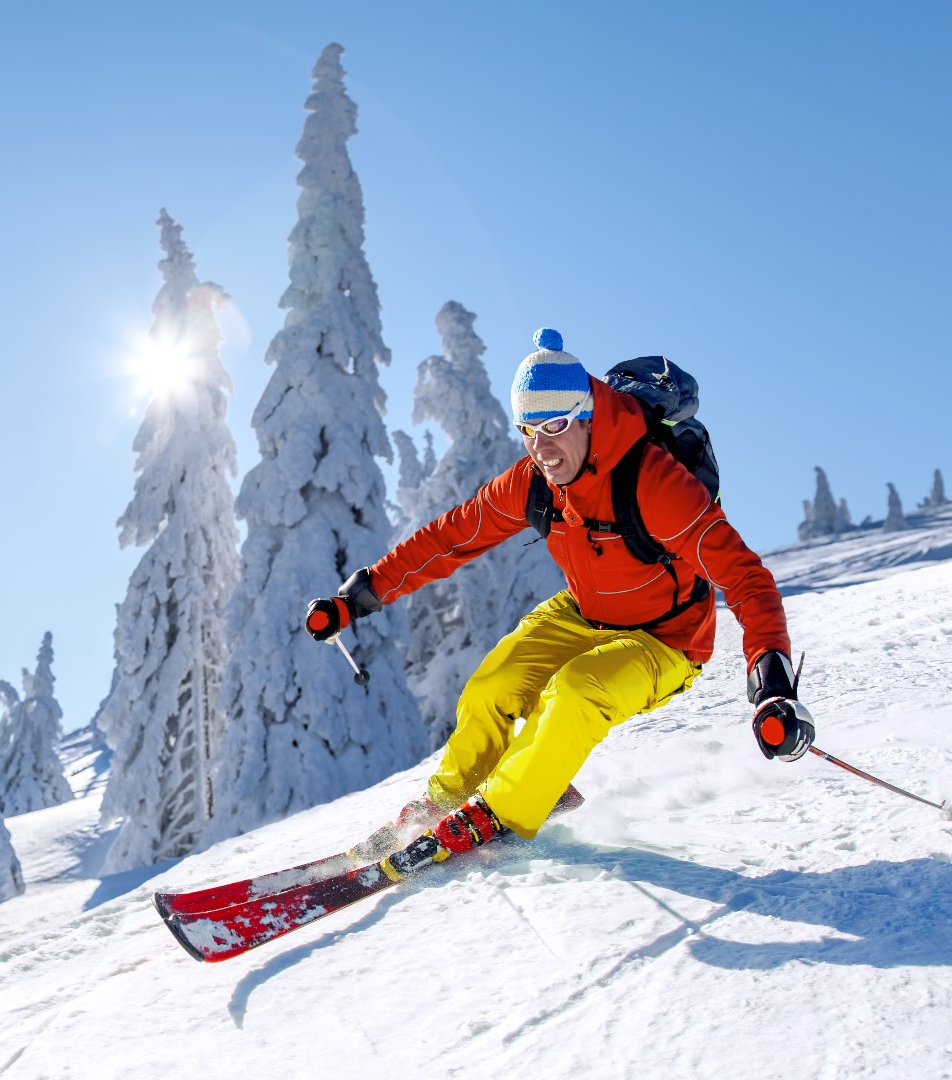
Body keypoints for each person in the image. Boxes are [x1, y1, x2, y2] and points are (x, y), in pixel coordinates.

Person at [304, 328, 814, 858]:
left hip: (667, 637)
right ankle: (444, 803)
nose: (542, 448)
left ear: (589, 413)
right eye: (528, 431)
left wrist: (772, 681)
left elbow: (746, 577)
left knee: (576, 691)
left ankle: (501, 813)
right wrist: (358, 597)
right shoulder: (534, 482)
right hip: (584, 614)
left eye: (555, 425)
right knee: (491, 685)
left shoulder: (654, 483)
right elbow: (452, 536)